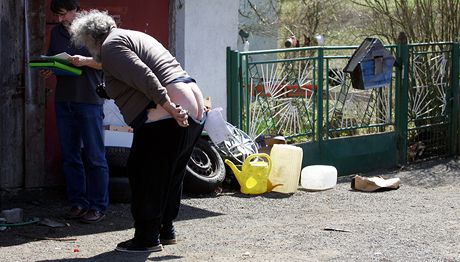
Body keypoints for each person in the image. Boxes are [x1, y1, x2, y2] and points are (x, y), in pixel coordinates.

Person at [70, 10, 206, 252]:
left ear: (91, 38)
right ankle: (165, 230)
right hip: (193, 103)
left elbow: (145, 76)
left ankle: (146, 238)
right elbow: (128, 69)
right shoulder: (131, 37)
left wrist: (168, 107)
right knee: (169, 174)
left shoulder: (111, 46)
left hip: (168, 111)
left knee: (144, 172)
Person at [41, 0, 109, 223]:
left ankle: (98, 206)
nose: (60, 19)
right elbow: (53, 58)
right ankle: (78, 203)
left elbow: (107, 63)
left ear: (75, 10)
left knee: (95, 156)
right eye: (57, 16)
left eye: (63, 14)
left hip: (89, 99)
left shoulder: (94, 30)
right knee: (70, 156)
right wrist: (49, 69)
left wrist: (85, 61)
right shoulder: (57, 32)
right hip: (64, 99)